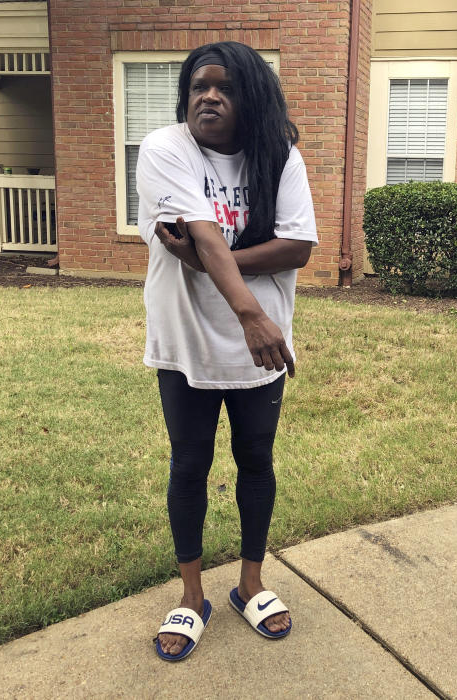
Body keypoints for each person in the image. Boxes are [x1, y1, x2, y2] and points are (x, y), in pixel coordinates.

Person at [136, 41, 317, 661]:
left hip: (257, 353)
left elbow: (297, 246)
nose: (207, 96)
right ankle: (191, 596)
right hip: (188, 341)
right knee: (189, 465)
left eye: (224, 88)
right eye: (197, 87)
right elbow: (206, 232)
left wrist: (198, 258)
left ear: (252, 99)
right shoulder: (166, 149)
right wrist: (249, 310)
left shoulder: (278, 157)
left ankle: (250, 582)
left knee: (256, 461)